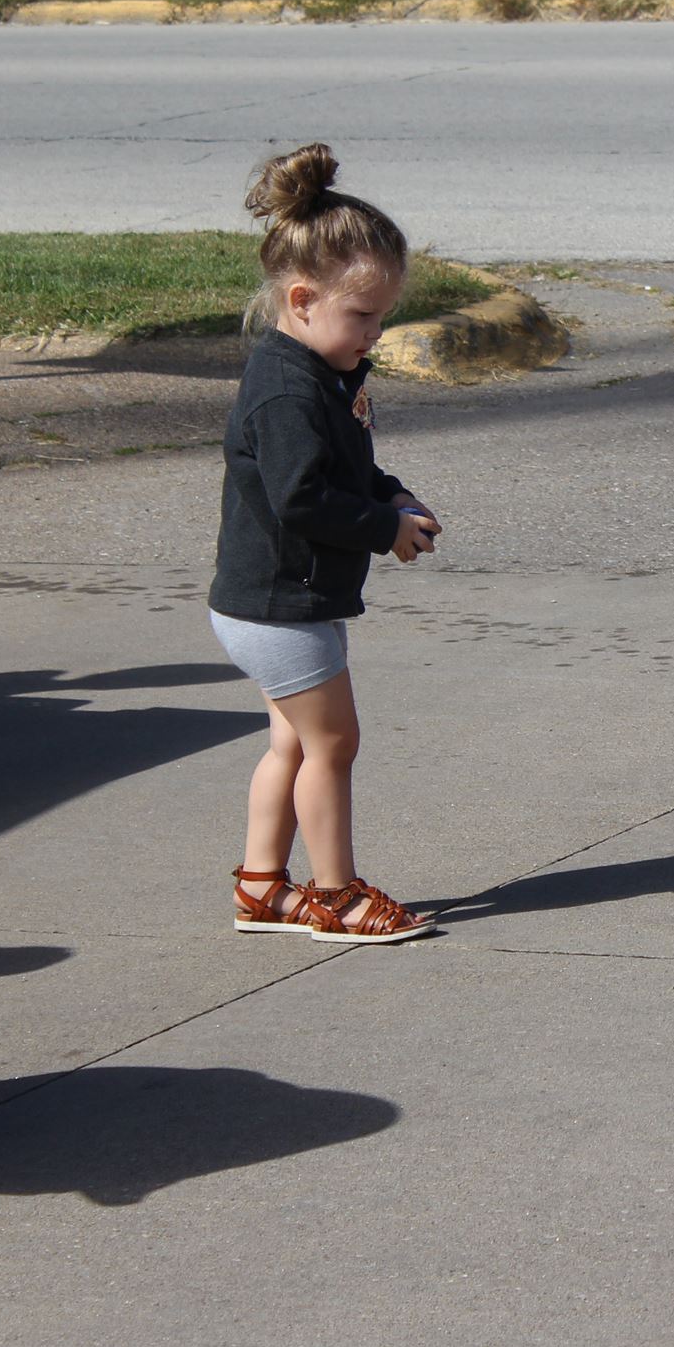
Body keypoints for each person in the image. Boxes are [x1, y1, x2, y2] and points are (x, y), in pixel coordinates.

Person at [211, 145, 439, 944]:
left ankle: (262, 887)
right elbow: (302, 497)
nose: (374, 333)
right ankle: (336, 895)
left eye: (381, 315)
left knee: (293, 741)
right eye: (363, 316)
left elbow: (345, 468)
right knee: (334, 740)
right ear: (302, 299)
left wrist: (390, 495)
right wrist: (385, 530)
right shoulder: (285, 387)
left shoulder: (319, 370)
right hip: (281, 604)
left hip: (274, 599)